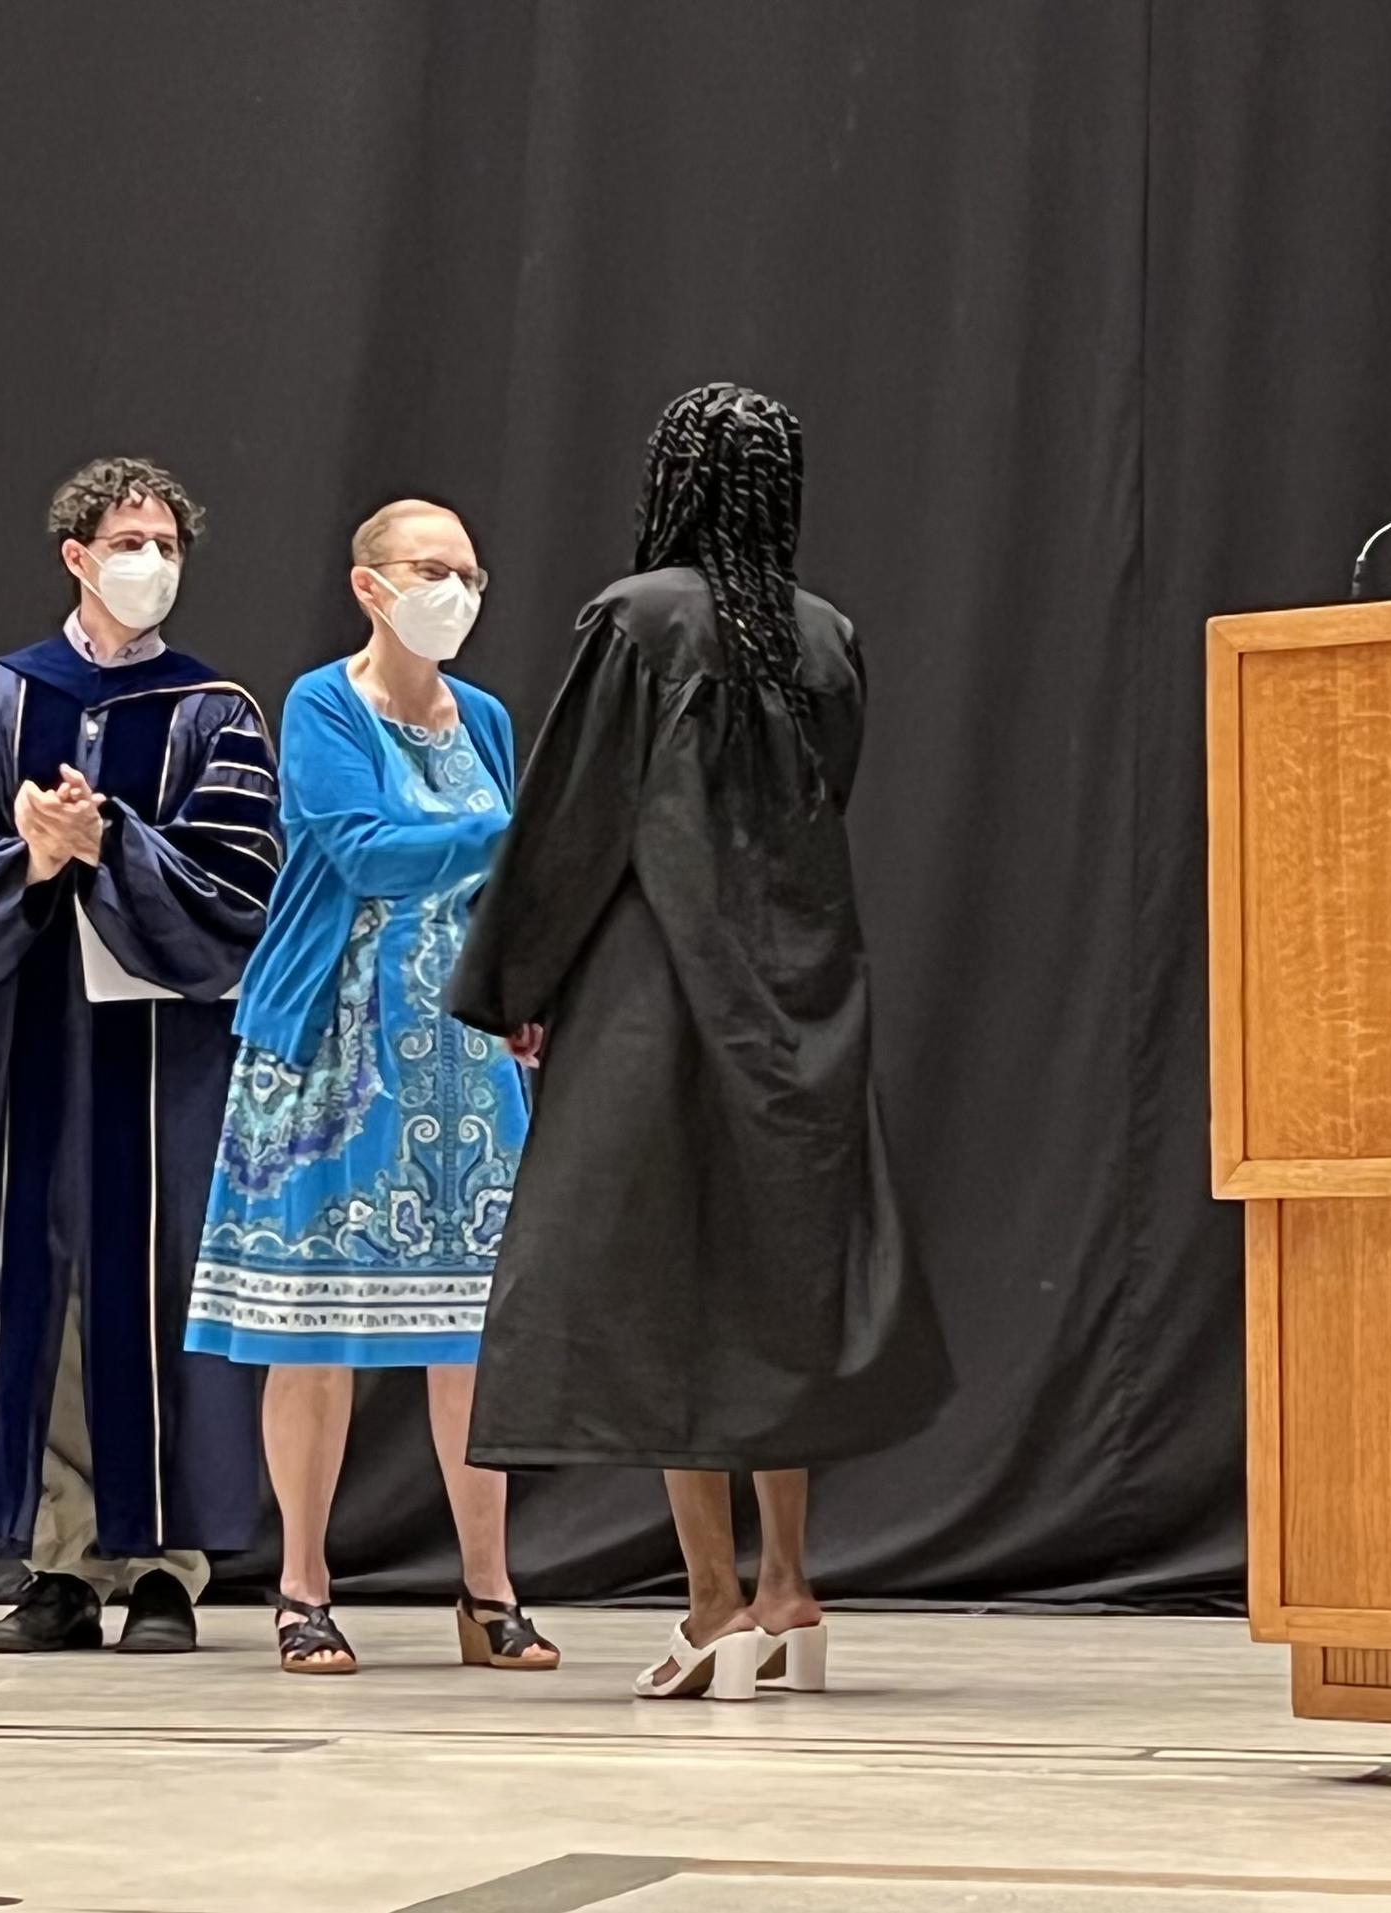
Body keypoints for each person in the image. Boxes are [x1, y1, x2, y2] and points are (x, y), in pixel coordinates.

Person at [449, 383, 952, 1702]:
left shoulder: (639, 622)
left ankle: (715, 1603)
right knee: (778, 1291)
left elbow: (574, 816)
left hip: (657, 990)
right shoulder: (826, 636)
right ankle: (793, 1588)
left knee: (667, 1293)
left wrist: (515, 983)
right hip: (802, 988)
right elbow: (824, 801)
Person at [0, 456, 278, 1654]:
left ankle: (167, 1564)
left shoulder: (217, 710)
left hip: (169, 1046)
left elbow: (239, 889)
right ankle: (61, 1559)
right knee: (46, 1290)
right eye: (129, 539)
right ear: (76, 553)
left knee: (166, 1287)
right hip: (42, 1039)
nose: (150, 562)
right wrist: (35, 862)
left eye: (167, 542)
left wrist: (107, 844)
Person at [184, 498, 557, 1678]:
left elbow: (511, 889)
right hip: (339, 1050)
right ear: (370, 584)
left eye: (468, 571)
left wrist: (529, 983)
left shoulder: (486, 717)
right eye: (429, 568)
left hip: (467, 1054)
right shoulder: (320, 704)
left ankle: (489, 1587)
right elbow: (361, 848)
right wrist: (516, 828)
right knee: (316, 1330)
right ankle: (303, 1585)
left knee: (474, 1337)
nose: (454, 589)